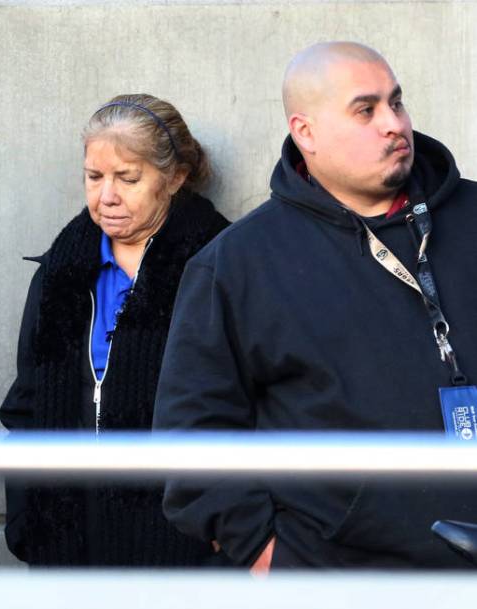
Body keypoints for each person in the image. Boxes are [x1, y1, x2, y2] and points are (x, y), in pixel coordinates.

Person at [156, 42, 477, 570]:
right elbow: (192, 439)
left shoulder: (472, 217)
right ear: (306, 132)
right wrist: (271, 559)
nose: (393, 124)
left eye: (396, 102)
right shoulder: (239, 264)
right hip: (345, 586)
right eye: (365, 110)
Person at [0, 94, 229, 566]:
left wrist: (226, 522)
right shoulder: (60, 274)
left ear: (175, 177)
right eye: (94, 177)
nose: (106, 196)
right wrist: (26, 519)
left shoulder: (218, 269)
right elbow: (26, 405)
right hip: (66, 542)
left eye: (127, 178)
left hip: (181, 547)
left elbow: (249, 409)